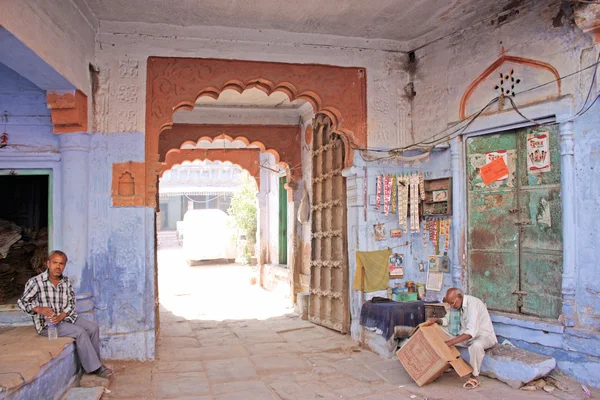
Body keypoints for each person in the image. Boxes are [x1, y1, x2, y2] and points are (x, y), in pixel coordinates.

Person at [17, 250, 114, 379]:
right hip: (48, 325)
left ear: (64, 265)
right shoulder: (36, 282)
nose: (58, 266)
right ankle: (95, 368)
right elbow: (22, 302)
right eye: (55, 263)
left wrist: (62, 315)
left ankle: (93, 362)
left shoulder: (66, 282)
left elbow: (71, 303)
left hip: (65, 318)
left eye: (61, 264)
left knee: (93, 328)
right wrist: (38, 309)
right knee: (80, 332)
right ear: (48, 263)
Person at [424, 288, 497, 389]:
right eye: (449, 304)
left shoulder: (473, 304)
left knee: (476, 346)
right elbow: (447, 320)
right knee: (437, 330)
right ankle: (443, 363)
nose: (451, 306)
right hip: (465, 335)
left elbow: (471, 332)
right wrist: (438, 321)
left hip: (483, 336)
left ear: (460, 297)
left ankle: (474, 376)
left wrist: (450, 342)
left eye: (452, 303)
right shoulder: (455, 305)